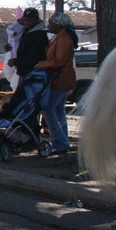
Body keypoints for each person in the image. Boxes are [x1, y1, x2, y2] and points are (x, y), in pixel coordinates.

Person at [36, 12, 77, 154]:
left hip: (60, 80)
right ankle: (62, 141)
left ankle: (60, 143)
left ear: (59, 25)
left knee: (48, 108)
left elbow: (59, 61)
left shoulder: (64, 39)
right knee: (59, 111)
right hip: (60, 79)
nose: (48, 26)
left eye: (51, 23)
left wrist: (40, 64)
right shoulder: (59, 37)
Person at [7, 7, 49, 82]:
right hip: (24, 72)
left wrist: (16, 61)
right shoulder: (27, 30)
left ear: (37, 20)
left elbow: (34, 56)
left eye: (30, 20)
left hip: (34, 74)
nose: (27, 23)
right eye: (25, 20)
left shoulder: (39, 34)